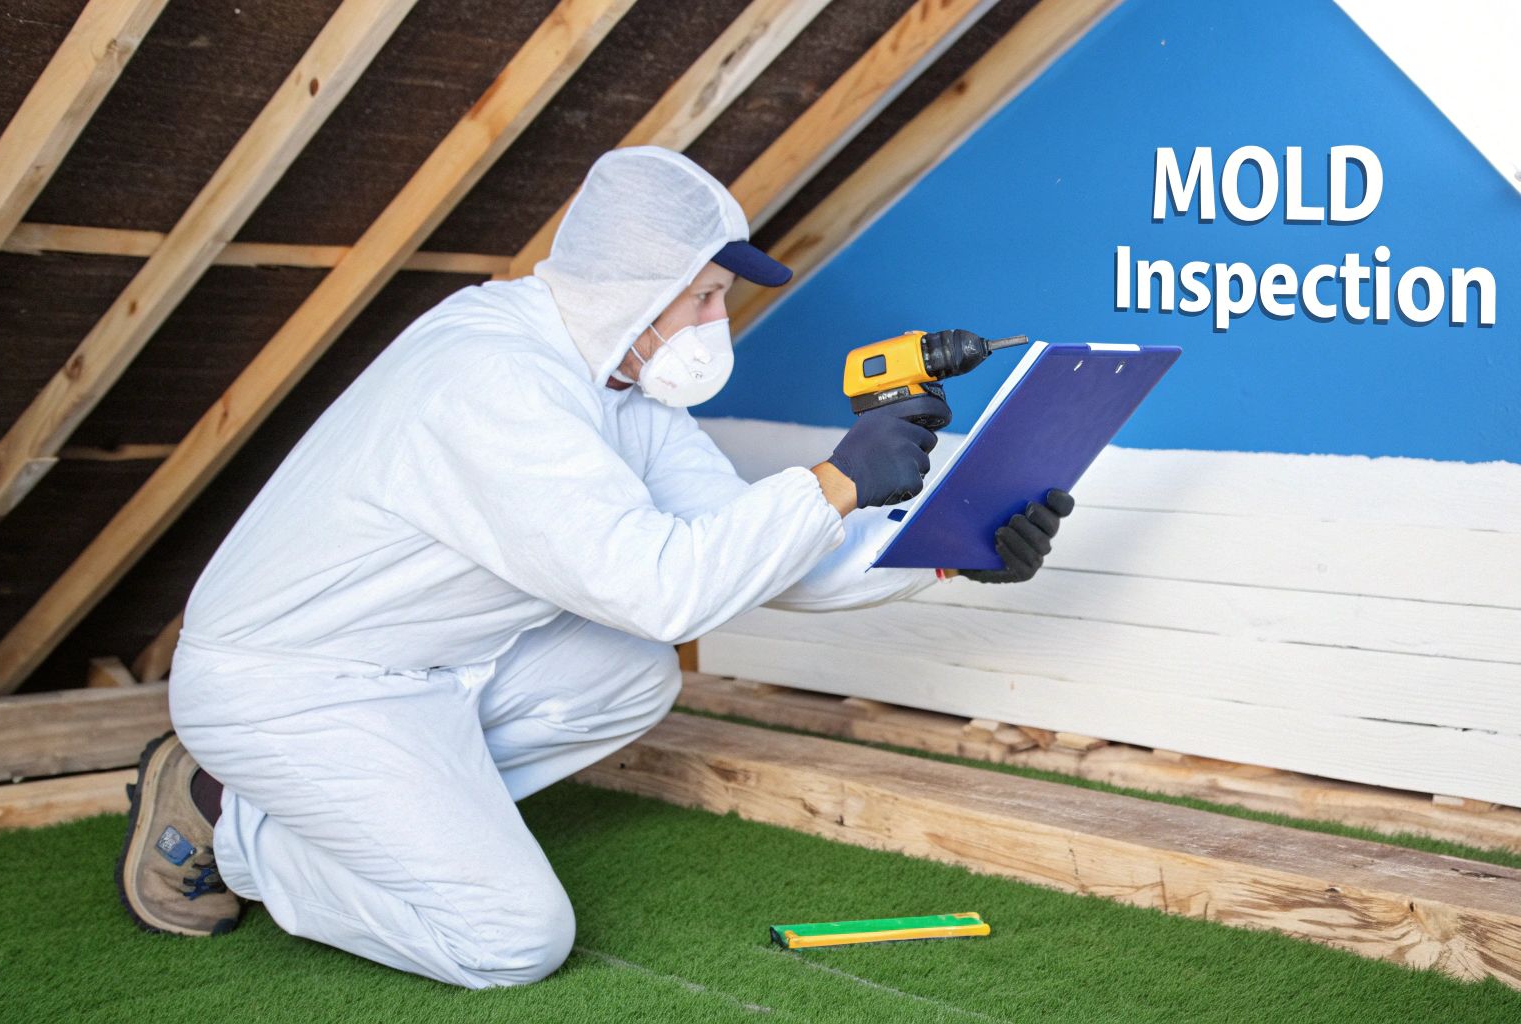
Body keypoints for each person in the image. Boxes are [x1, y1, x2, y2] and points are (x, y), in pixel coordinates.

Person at [115, 146, 1074, 988]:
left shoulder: (620, 387)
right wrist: (830, 483)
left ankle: (390, 811)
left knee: (629, 676)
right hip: (293, 687)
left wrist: (945, 555)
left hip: (428, 668)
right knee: (509, 937)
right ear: (629, 287)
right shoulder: (494, 377)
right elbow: (665, 591)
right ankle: (231, 822)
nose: (715, 322)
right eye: (701, 296)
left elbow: (757, 557)